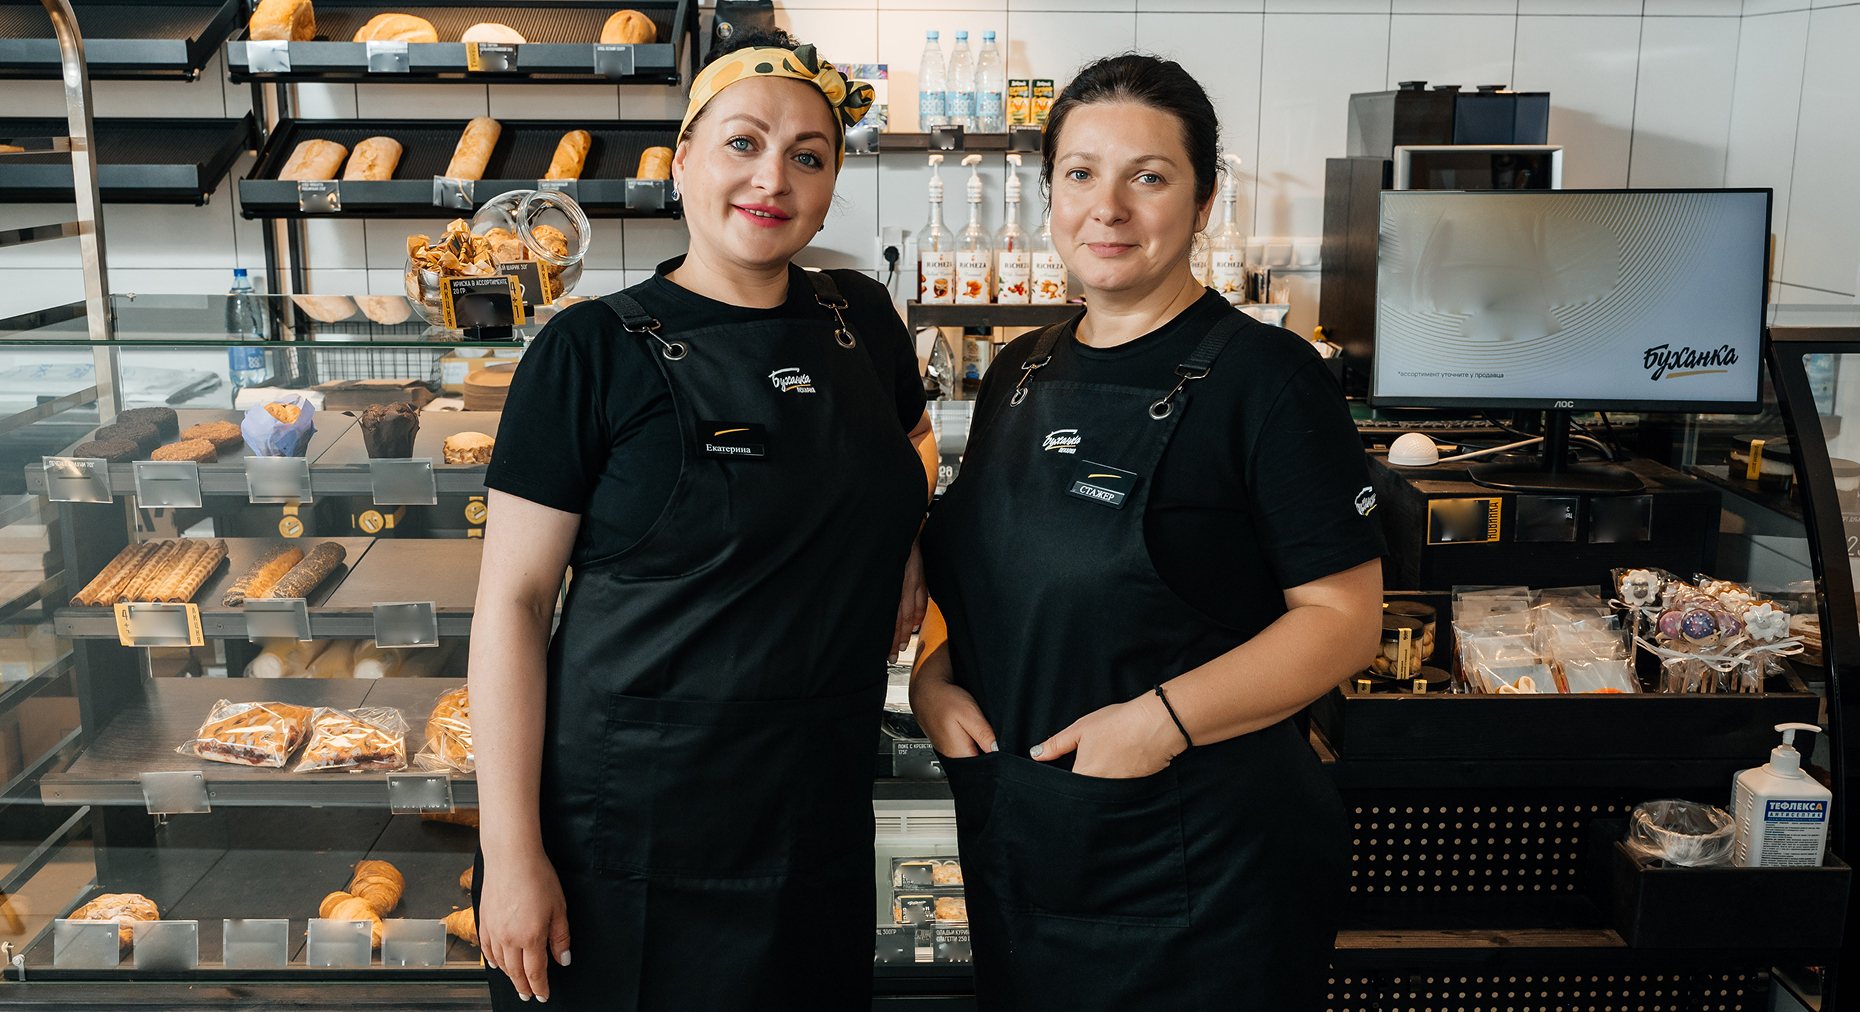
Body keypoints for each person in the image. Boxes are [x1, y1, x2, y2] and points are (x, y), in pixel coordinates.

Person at [469, 29, 935, 1010]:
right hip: (630, 832)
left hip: (812, 816)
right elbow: (512, 606)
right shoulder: (590, 351)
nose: (773, 178)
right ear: (682, 160)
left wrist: (906, 537)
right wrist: (509, 854)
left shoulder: (860, 319)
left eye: (809, 155)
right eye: (743, 143)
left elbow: (913, 439)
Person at [913, 53, 1385, 1010]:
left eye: (1150, 176)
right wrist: (934, 677)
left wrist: (1156, 725)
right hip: (1032, 842)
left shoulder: (1269, 380)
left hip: (1202, 858)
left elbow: (1343, 622)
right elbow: (999, 579)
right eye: (1081, 173)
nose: (1109, 208)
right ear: (1051, 194)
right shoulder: (1020, 371)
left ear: (1203, 201)